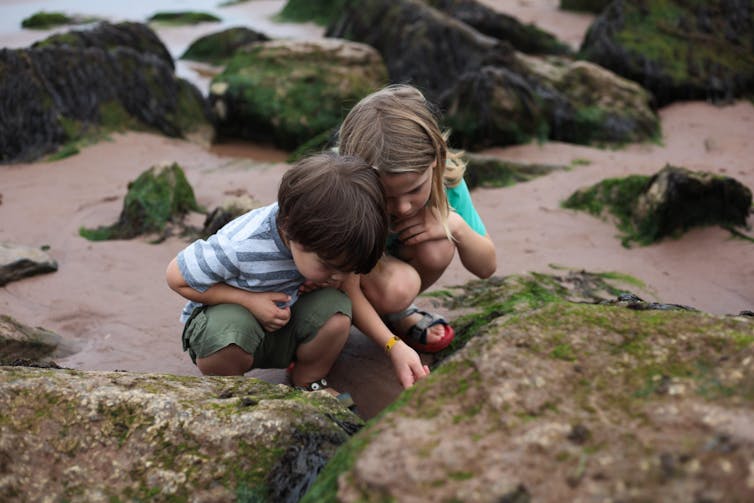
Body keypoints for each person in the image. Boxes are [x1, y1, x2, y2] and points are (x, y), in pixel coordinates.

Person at [165, 152, 392, 399]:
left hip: (284, 320)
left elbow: (346, 289)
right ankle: (230, 390)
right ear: (289, 228)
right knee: (225, 330)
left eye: (346, 269)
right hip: (229, 329)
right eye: (328, 266)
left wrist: (394, 346)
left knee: (337, 309)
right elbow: (176, 276)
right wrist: (249, 301)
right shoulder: (242, 245)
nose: (338, 277)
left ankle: (308, 380)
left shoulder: (321, 238)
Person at [338, 84, 497, 355]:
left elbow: (486, 266)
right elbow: (341, 281)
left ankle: (395, 313)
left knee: (439, 245)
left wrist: (454, 224)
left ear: (436, 159)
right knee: (396, 289)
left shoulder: (444, 181)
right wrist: (391, 345)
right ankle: (332, 327)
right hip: (335, 282)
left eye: (414, 190)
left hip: (377, 276)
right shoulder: (342, 188)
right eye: (386, 196)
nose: (402, 207)